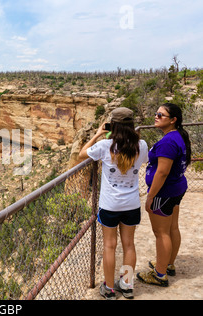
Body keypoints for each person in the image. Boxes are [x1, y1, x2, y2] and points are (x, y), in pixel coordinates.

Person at [79, 107, 148, 300]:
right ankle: (127, 286)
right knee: (129, 246)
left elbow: (82, 154)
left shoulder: (105, 146)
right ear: (132, 124)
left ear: (113, 125)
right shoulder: (141, 145)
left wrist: (98, 134)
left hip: (110, 205)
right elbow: (144, 159)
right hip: (132, 204)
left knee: (110, 246)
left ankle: (109, 289)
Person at [137, 103, 191, 287]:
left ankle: (160, 274)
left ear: (173, 120)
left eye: (161, 115)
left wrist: (150, 196)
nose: (156, 116)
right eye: (156, 113)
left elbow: (162, 172)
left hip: (164, 192)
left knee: (161, 233)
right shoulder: (176, 136)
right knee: (172, 228)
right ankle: (167, 264)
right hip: (176, 188)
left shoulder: (168, 142)